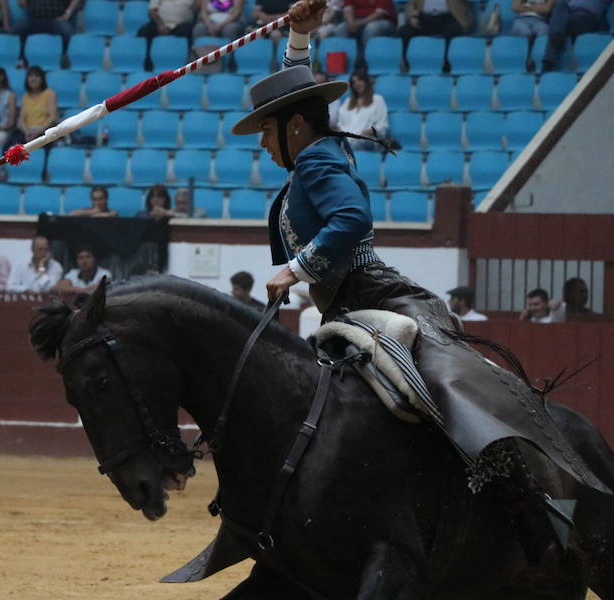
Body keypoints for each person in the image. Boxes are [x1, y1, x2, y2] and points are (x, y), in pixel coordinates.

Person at [235, 0, 574, 568]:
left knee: (439, 385)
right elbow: (298, 99)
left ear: (294, 127)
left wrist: (295, 270)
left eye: (266, 133)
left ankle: (526, 508)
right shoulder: (311, 158)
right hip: (347, 314)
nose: (261, 146)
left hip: (386, 303)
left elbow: (352, 222)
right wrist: (298, 40)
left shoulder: (317, 162)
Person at [397, 0, 472, 71]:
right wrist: (413, 16)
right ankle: (408, 64)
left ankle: (447, 65)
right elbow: (413, 4)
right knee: (404, 31)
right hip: (425, 17)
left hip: (450, 16)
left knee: (452, 31)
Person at [540, 0, 611, 71]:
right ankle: (556, 36)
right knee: (560, 4)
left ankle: (551, 52)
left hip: (586, 18)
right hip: (569, 15)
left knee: (557, 23)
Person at [332, 71, 388, 152]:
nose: (357, 84)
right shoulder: (348, 101)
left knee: (355, 143)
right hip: (347, 138)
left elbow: (382, 126)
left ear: (366, 81)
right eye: (354, 82)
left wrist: (369, 131)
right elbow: (341, 123)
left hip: (367, 139)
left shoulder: (378, 100)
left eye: (359, 80)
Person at [138, 0, 196, 69]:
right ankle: (147, 64)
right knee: (144, 31)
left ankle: (187, 65)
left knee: (189, 30)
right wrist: (160, 25)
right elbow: (151, 11)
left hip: (180, 26)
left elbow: (197, 8)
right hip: (160, 24)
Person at [11, 0, 81, 54]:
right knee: (16, 30)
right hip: (34, 20)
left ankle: (63, 57)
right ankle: (22, 58)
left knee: (67, 31)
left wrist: (68, 13)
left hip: (56, 20)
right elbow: (21, 3)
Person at [16, 65, 58, 143]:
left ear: (42, 79)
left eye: (36, 76)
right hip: (27, 132)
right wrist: (26, 131)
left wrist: (38, 131)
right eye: (30, 76)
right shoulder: (25, 97)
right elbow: (21, 120)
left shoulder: (50, 94)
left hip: (44, 132)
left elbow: (53, 118)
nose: (33, 79)